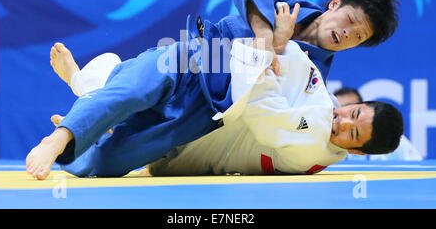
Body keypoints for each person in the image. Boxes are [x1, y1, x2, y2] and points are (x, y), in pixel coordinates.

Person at [26, 0, 399, 179]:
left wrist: (283, 49)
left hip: (208, 113)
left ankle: (85, 103)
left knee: (110, 162)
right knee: (132, 89)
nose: (347, 34)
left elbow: (274, 119)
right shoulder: (292, 1)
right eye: (350, 21)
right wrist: (268, 36)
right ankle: (58, 138)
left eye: (358, 37)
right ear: (334, 5)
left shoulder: (314, 82)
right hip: (203, 54)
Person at [32, 36, 403, 177]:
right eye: (352, 113)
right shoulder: (324, 101)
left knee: (103, 165)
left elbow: (264, 119)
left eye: (351, 133)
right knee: (131, 89)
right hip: (202, 105)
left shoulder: (314, 149)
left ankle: (86, 103)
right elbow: (292, 54)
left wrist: (263, 61)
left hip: (187, 151)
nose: (341, 121)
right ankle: (80, 108)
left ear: (357, 151)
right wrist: (276, 46)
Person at [333, 87, 423, 161]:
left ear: (355, 151)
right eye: (335, 105)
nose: (342, 122)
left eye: (353, 114)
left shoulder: (398, 146)